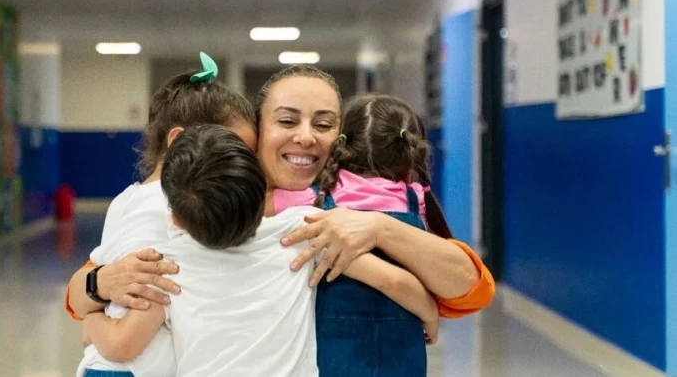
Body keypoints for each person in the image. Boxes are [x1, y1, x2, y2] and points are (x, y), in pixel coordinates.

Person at [66, 64, 494, 376]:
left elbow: (471, 292)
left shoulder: (340, 215)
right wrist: (98, 283)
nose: (305, 136)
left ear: (341, 141)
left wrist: (379, 228)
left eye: (324, 124)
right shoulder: (205, 211)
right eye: (286, 120)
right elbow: (82, 295)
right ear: (255, 134)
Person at [84, 124, 440, 376]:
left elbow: (122, 346)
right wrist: (428, 312)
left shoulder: (167, 266)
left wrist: (92, 320)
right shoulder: (301, 229)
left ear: (175, 219)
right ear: (264, 194)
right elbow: (394, 283)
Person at [73, 53, 259, 377]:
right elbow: (125, 340)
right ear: (178, 142)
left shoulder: (126, 199)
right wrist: (94, 323)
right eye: (229, 150)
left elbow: (91, 278)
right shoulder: (174, 212)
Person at [273, 94, 473, 375]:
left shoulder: (311, 202)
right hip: (403, 357)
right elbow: (404, 279)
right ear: (411, 153)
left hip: (333, 356)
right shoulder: (415, 201)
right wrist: (429, 313)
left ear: (340, 146)